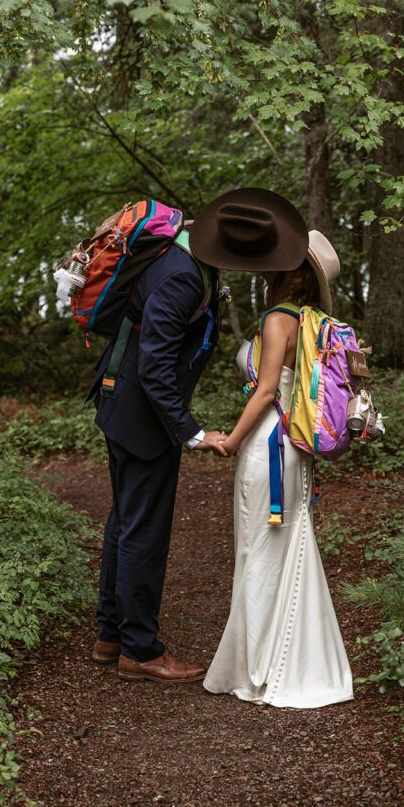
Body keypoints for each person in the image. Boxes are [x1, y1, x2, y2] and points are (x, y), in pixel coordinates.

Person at [88, 188, 309, 684]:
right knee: (144, 531)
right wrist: (192, 432)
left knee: (126, 520)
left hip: (122, 403)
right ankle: (140, 649)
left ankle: (111, 635)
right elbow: (155, 366)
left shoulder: (185, 255)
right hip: (141, 415)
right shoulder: (182, 277)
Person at [195, 229, 354, 708]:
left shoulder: (276, 320)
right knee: (286, 546)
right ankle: (296, 661)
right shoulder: (312, 322)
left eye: (277, 260)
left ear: (292, 272)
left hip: (268, 444)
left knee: (261, 550)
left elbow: (265, 392)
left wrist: (229, 440)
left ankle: (260, 668)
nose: (265, 266)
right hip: (295, 449)